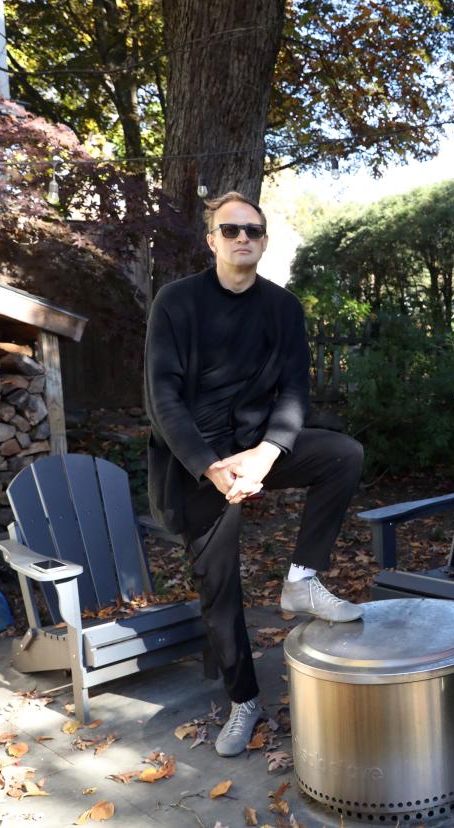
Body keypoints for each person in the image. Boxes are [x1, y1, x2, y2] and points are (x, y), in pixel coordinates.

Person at [145, 191, 365, 757]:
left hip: (257, 447)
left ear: (264, 241)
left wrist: (267, 453)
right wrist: (210, 467)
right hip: (197, 460)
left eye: (253, 229)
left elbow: (295, 392)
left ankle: (303, 579)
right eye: (231, 229)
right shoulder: (176, 302)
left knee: (343, 453)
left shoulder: (282, 308)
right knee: (219, 587)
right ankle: (244, 700)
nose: (242, 237)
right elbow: (162, 398)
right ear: (211, 240)